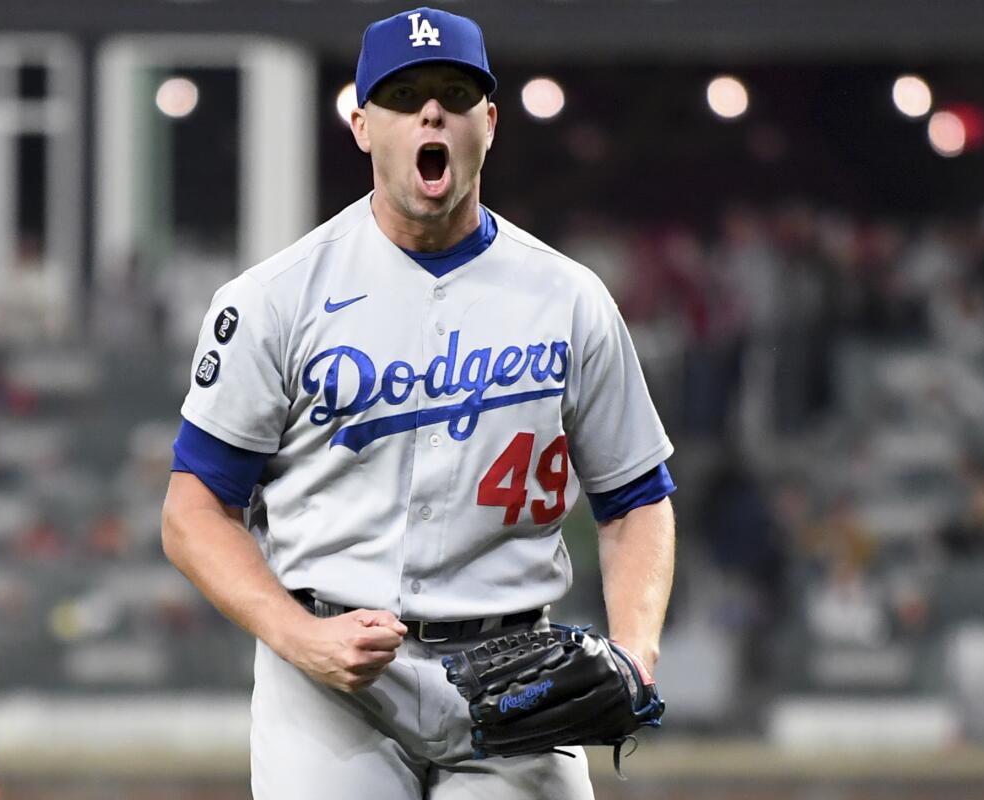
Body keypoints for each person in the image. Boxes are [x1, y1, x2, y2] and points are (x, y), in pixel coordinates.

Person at [160, 8, 677, 799]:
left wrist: (634, 652)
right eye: (404, 96)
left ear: (490, 123)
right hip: (334, 681)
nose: (430, 111)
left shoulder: (568, 298)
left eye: (454, 93)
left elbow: (637, 497)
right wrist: (300, 637)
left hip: (519, 680)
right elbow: (193, 510)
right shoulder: (277, 297)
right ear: (363, 125)